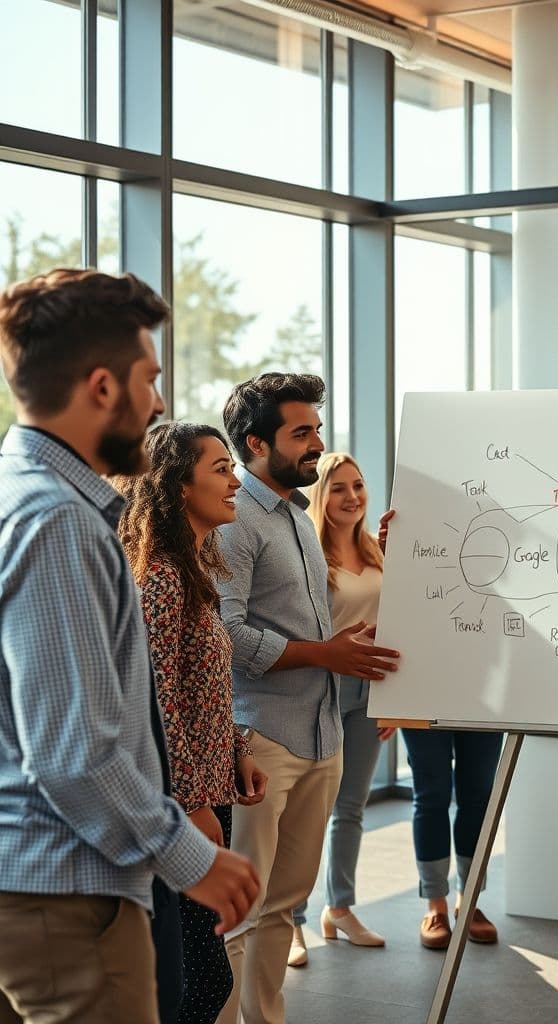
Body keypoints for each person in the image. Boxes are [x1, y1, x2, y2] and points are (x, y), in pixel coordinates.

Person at [0, 269, 259, 1024]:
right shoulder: (57, 522)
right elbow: (74, 751)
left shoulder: (28, 496)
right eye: (149, 378)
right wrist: (189, 856)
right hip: (64, 892)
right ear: (102, 385)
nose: (159, 404)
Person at [215, 373, 400, 1024]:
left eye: (317, 429)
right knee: (241, 908)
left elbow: (309, 626)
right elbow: (226, 633)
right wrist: (325, 652)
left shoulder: (296, 517)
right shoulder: (235, 521)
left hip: (322, 735)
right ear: (255, 442)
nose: (316, 444)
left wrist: (344, 642)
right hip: (262, 740)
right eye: (302, 432)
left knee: (284, 900)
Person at [116, 422, 270, 1024]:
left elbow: (202, 688)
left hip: (208, 794)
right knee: (202, 980)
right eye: (220, 470)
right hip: (181, 806)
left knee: (198, 976)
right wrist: (189, 803)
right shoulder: (161, 578)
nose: (236, 481)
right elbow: (155, 702)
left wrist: (236, 749)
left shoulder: (196, 569)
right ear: (179, 487)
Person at [375, 513, 503, 950]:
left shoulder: (499, 545)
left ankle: (471, 900)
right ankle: (435, 905)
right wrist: (392, 553)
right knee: (429, 795)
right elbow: (390, 612)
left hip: (484, 697)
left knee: (478, 796)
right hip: (422, 691)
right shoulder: (414, 535)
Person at [289, 452, 394, 967]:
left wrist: (399, 701)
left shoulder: (377, 554)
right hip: (320, 690)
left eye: (358, 486)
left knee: (351, 807)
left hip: (370, 695)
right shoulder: (308, 554)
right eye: (338, 488)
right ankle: (291, 922)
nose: (351, 497)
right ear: (319, 494)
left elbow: (401, 624)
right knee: (307, 813)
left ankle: (341, 909)